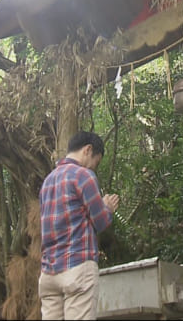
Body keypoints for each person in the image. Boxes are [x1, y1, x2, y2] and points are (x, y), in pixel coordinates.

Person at [39, 131, 120, 320]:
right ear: (88, 150)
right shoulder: (84, 176)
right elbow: (100, 222)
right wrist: (107, 207)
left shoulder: (48, 181)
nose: (95, 167)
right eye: (96, 162)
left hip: (48, 274)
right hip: (77, 268)